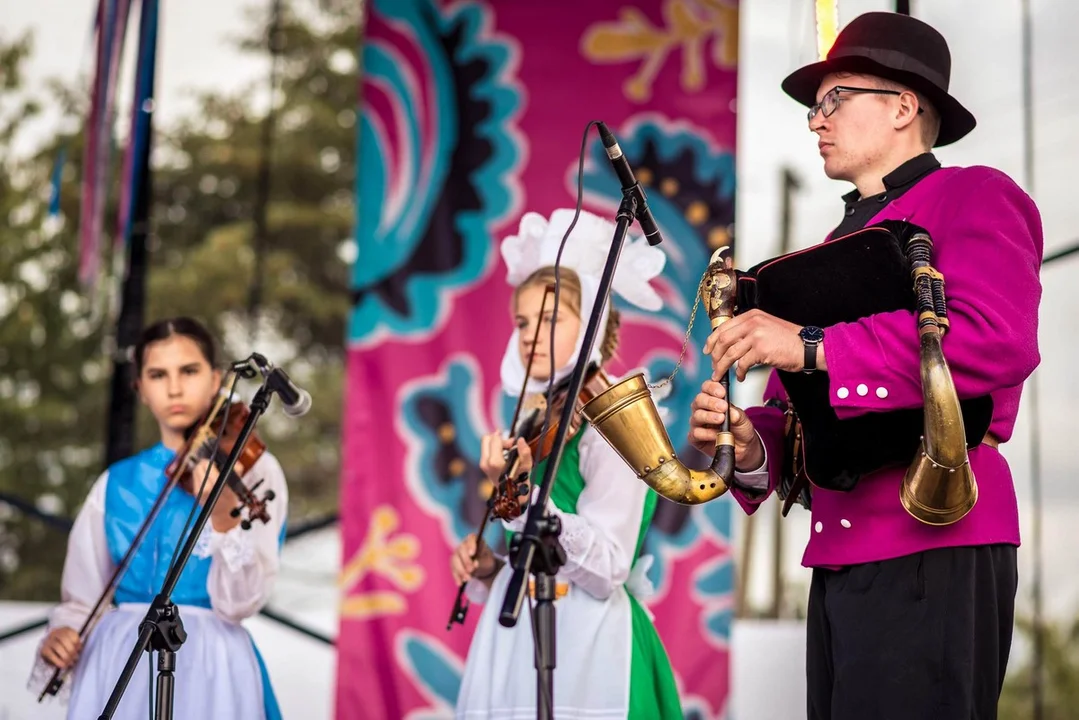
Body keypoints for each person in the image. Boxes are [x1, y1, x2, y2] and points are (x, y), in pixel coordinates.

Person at [687, 11, 1042, 720]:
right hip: (843, 551)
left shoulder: (974, 192)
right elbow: (804, 415)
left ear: (903, 107)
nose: (814, 121)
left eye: (833, 98)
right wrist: (750, 442)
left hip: (934, 537)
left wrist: (808, 344)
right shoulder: (834, 238)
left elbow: (994, 339)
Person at [450, 208, 682, 719]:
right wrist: (493, 568)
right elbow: (537, 549)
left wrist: (515, 499)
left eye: (551, 319)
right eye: (522, 321)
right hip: (516, 647)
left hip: (590, 650)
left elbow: (607, 568)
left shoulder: (615, 422)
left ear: (590, 326)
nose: (530, 334)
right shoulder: (538, 418)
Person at [29, 317, 289, 720]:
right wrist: (63, 632)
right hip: (122, 656)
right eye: (157, 374)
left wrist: (220, 512)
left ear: (217, 379)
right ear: (141, 390)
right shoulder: (117, 482)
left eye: (189, 371)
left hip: (212, 665)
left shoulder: (251, 468)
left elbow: (241, 603)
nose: (173, 387)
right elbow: (82, 597)